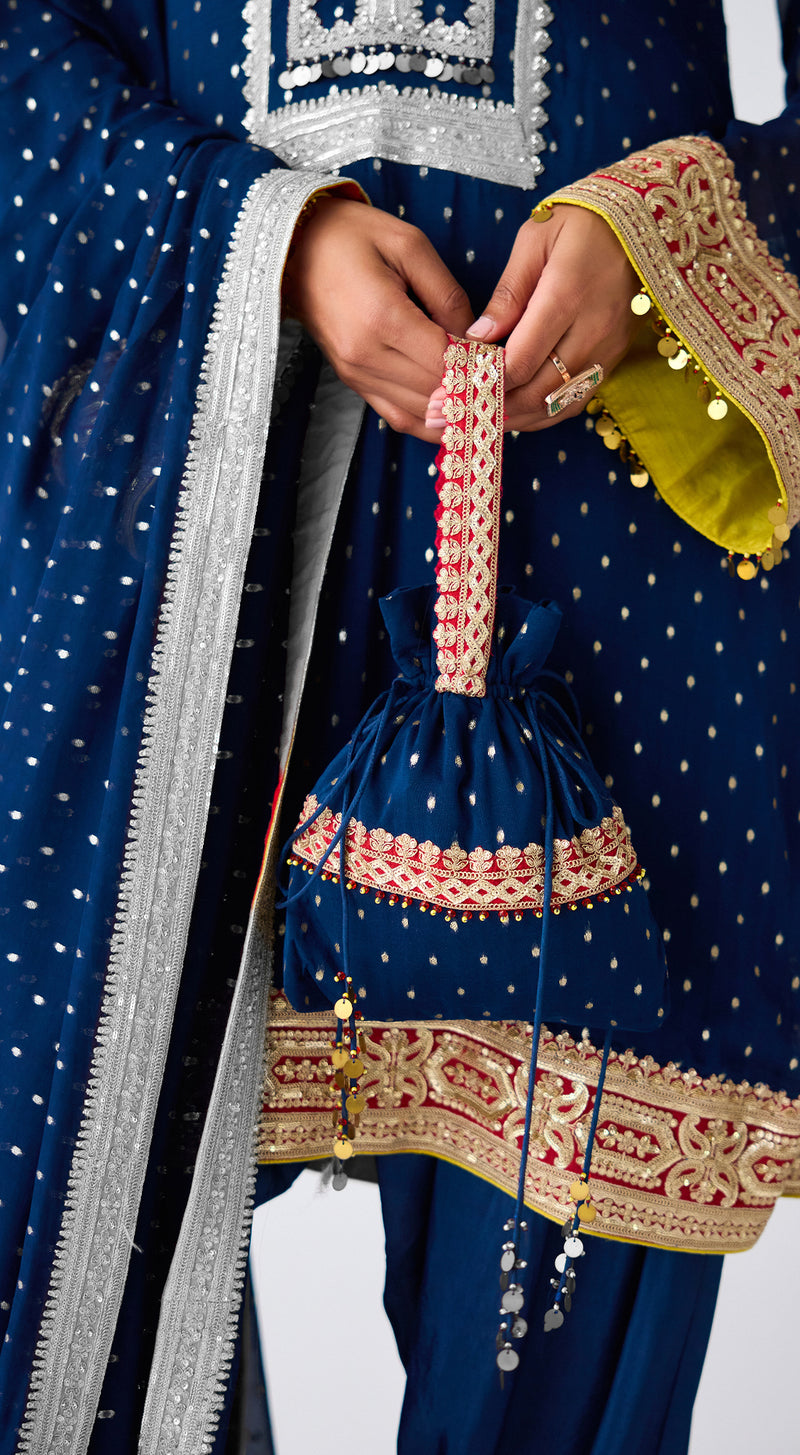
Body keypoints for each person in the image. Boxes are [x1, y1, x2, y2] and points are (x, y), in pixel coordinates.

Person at [1, 2, 798, 1452]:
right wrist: (273, 240)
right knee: (88, 1281)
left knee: (559, 1362)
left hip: (615, 583)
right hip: (181, 556)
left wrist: (671, 241)